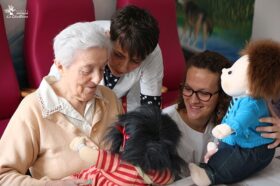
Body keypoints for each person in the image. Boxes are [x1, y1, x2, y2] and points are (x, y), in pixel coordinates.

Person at [0, 22, 123, 185]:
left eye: (102, 68)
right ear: (60, 66)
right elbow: (3, 175)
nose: (98, 78)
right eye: (87, 70)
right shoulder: (33, 109)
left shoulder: (110, 98)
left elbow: (127, 152)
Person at [50, 5, 163, 111]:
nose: (123, 68)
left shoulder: (151, 52)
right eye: (118, 55)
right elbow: (51, 94)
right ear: (108, 36)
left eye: (136, 61)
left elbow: (150, 108)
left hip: (113, 108)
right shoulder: (81, 42)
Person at [68, 105, 186, 185]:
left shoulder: (116, 162)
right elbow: (169, 179)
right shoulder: (156, 173)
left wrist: (79, 145)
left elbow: (90, 155)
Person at [163, 51, 231, 176]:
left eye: (204, 93)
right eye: (188, 89)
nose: (193, 100)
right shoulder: (163, 126)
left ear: (222, 95)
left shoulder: (227, 122)